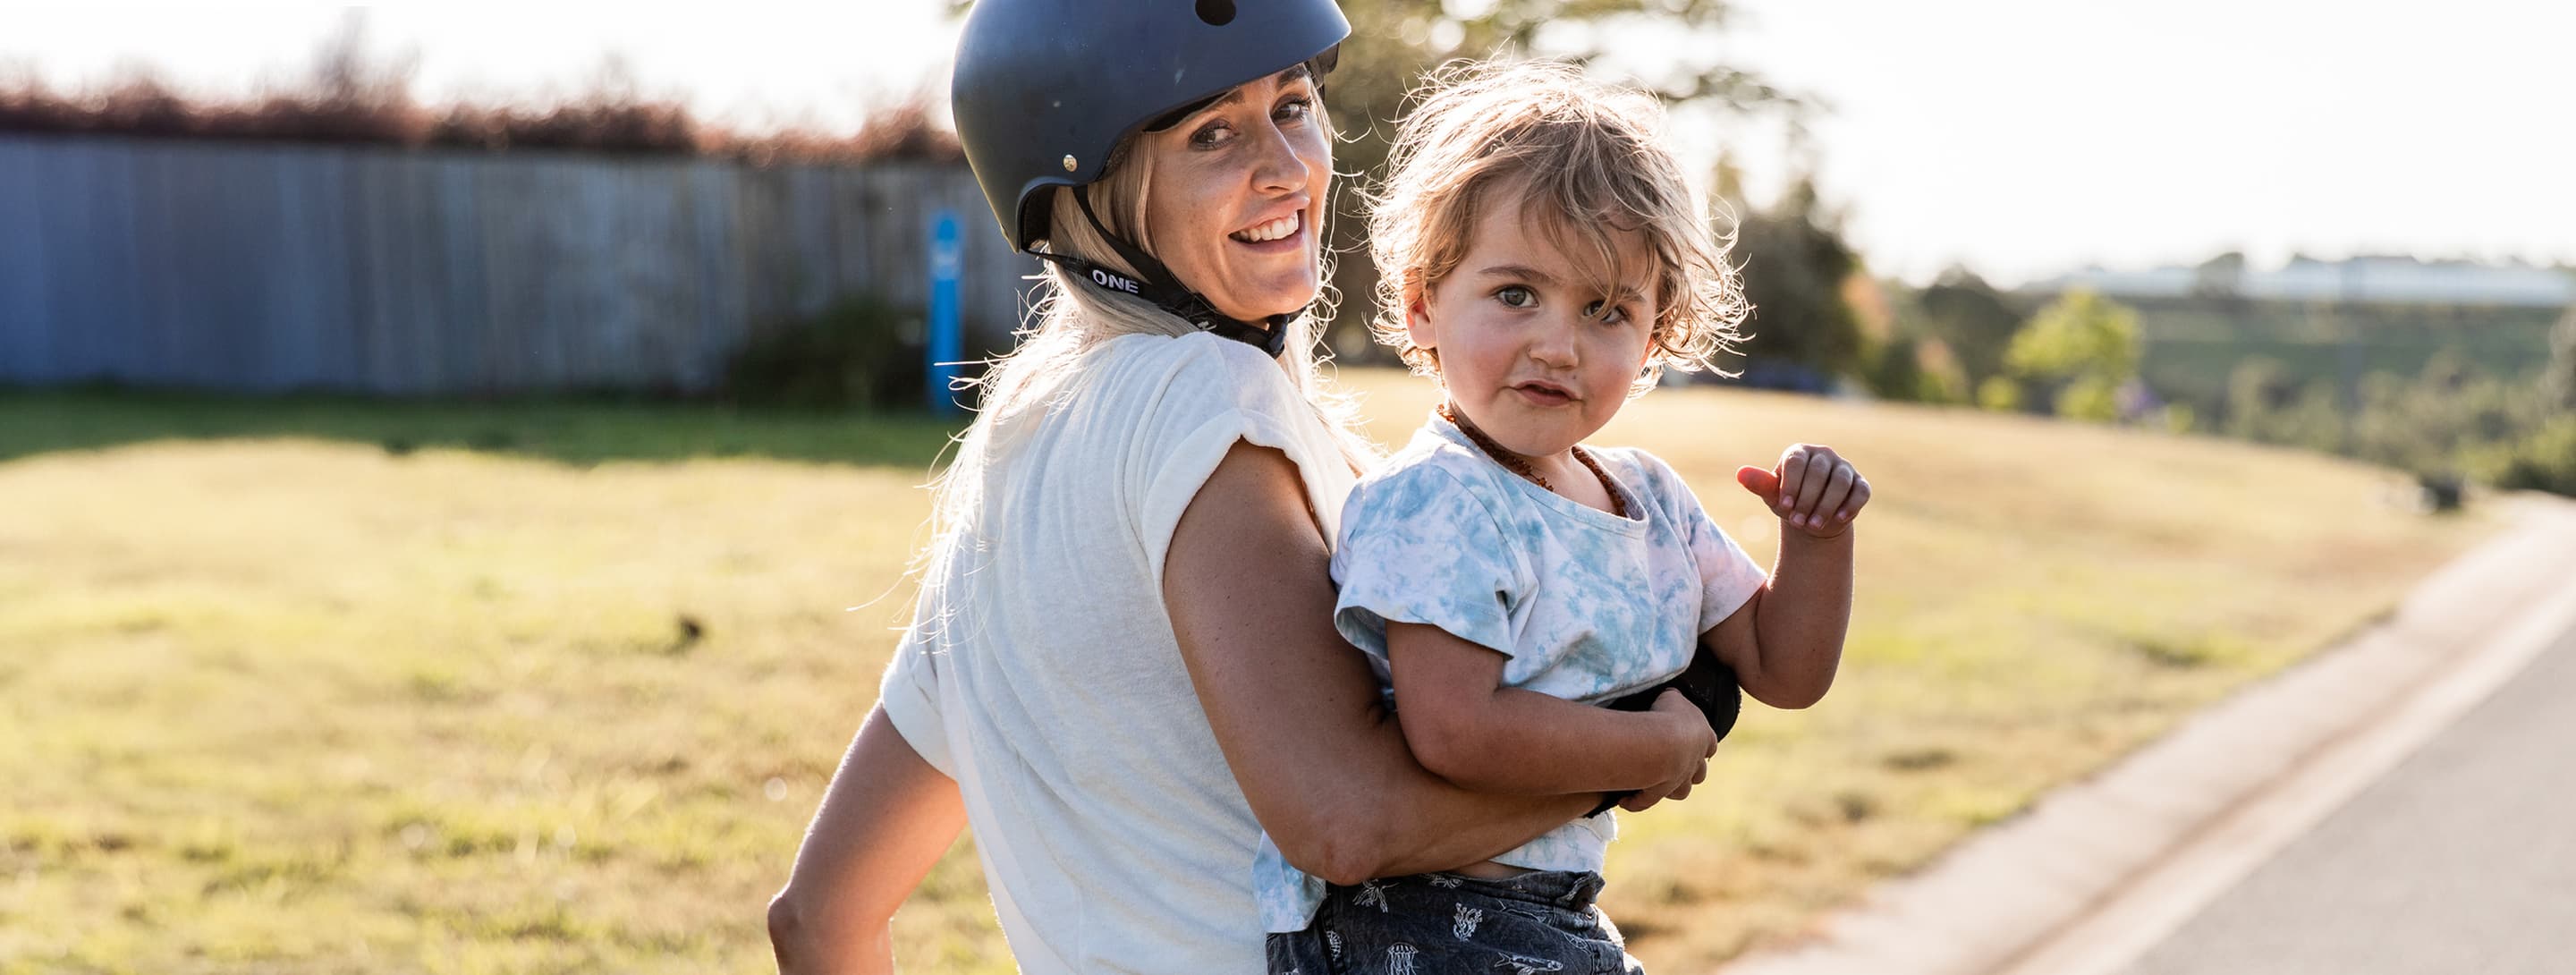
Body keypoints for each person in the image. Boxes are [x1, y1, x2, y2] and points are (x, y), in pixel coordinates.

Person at [762, 4, 1712, 973]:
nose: (1288, 167)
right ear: (1087, 189)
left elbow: (819, 917)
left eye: (1293, 107)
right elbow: (1345, 824)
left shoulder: (1010, 464)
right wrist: (1648, 747)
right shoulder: (1203, 398)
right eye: (1212, 132)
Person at [1253, 61, 1873, 974]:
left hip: (1551, 912)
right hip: (1409, 919)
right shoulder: (1439, 497)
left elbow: (1786, 668)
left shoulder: (1652, 501)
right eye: (1516, 295)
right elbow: (1454, 730)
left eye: (1604, 310)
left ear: (1656, 336)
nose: (1557, 344)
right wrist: (1651, 747)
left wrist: (1818, 541)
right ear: (1425, 304)